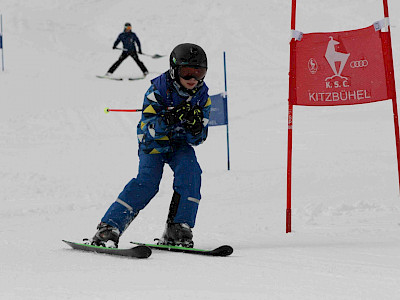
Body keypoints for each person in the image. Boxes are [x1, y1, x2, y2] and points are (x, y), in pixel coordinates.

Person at [92, 43, 211, 248]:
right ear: (174, 71)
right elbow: (149, 129)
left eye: (198, 73)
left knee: (191, 174)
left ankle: (178, 227)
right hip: (153, 145)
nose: (193, 79)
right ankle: (108, 227)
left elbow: (199, 139)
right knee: (147, 182)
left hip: (179, 145)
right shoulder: (157, 91)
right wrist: (169, 119)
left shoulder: (202, 98)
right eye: (187, 72)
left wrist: (195, 126)